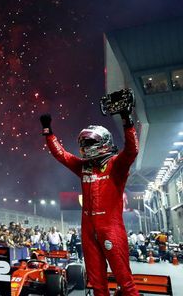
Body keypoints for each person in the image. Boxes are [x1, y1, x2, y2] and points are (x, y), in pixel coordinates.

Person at [41, 108, 139, 296]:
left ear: (104, 142)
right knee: (97, 283)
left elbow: (132, 150)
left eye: (89, 142)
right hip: (87, 230)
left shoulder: (117, 165)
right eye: (83, 143)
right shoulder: (84, 167)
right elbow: (62, 155)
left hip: (111, 229)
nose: (85, 146)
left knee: (125, 281)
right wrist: (48, 132)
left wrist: (127, 120)